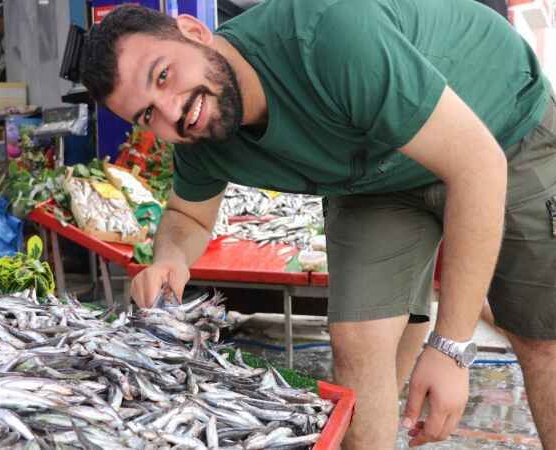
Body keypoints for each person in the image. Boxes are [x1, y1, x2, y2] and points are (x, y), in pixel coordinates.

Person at [80, 0, 556, 448]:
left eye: (163, 75)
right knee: (358, 339)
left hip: (498, 127)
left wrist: (452, 348)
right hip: (376, 173)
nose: (174, 111)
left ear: (194, 31)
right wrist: (169, 259)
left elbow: (477, 164)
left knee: (541, 338)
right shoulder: (199, 134)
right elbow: (187, 215)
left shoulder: (327, 35)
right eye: (147, 114)